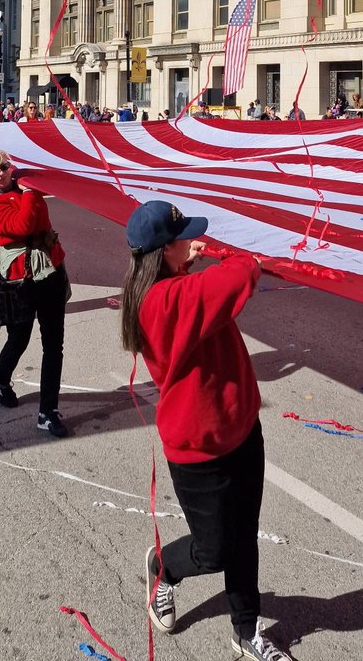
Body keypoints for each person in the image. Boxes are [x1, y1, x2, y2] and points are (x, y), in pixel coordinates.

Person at [120, 200, 291, 661]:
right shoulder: (162, 301)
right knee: (214, 551)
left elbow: (196, 290)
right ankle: (165, 567)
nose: (192, 242)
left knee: (244, 536)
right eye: (183, 238)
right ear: (164, 251)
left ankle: (246, 630)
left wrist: (187, 262)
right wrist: (241, 256)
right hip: (198, 450)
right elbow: (237, 276)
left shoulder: (166, 286)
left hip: (241, 429)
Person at [0, 146, 71, 437]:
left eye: (4, 166)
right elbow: (23, 225)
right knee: (19, 339)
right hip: (20, 282)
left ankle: (48, 411)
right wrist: (29, 193)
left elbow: (50, 181)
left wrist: (30, 185)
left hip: (51, 272)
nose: (2, 173)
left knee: (54, 344)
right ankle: (2, 378)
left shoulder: (24, 184)